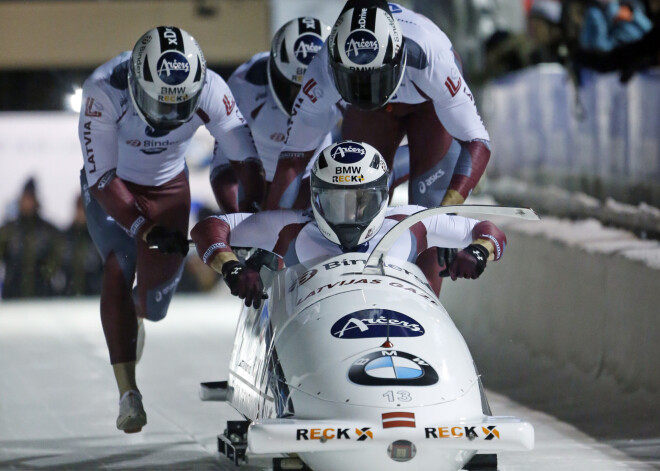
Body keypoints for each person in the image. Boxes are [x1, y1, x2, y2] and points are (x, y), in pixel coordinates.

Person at [77, 26, 265, 434]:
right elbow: (104, 181)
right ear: (136, 84)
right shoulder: (103, 91)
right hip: (113, 187)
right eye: (158, 105)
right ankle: (129, 393)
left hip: (169, 189)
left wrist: (256, 222)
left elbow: (246, 162)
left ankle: (137, 314)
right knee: (119, 262)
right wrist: (143, 227)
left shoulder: (212, 89)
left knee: (154, 307)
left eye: (179, 108)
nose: (167, 119)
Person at [264, 1, 492, 295]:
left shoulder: (431, 57)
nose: (367, 90)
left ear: (397, 59)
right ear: (336, 64)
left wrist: (445, 213)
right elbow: (293, 161)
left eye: (373, 78)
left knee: (430, 220)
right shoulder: (322, 69)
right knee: (347, 204)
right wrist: (270, 242)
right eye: (355, 80)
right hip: (367, 114)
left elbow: (477, 142)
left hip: (429, 109)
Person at [190, 141, 507, 309]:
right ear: (316, 199)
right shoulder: (291, 226)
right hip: (311, 326)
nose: (350, 214)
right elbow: (211, 227)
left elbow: (490, 232)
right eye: (336, 202)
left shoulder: (408, 222)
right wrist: (231, 267)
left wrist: (478, 252)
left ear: (382, 197)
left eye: (361, 202)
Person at [0, 178, 64, 299]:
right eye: (25, 199)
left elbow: (60, 254)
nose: (27, 203)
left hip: (40, 295)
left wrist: (46, 271)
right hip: (13, 295)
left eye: (30, 199)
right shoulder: (9, 231)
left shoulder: (48, 231)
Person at [60, 195, 104, 296]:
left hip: (93, 296)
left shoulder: (98, 237)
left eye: (84, 209)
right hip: (67, 295)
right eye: (79, 208)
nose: (81, 213)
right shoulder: (65, 237)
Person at [579, 0, 652, 52]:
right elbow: (600, 47)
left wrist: (632, 15)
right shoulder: (596, 15)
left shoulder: (596, 14)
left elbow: (650, 29)